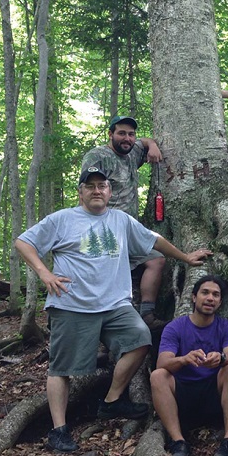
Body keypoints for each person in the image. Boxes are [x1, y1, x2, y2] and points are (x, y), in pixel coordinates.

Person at [15, 167, 212, 453]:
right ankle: (59, 430)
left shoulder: (120, 220)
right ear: (80, 191)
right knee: (61, 368)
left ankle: (111, 401)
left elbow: (153, 239)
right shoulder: (63, 219)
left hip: (115, 304)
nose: (97, 191)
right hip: (73, 304)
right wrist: (44, 273)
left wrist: (184, 257)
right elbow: (24, 242)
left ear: (109, 191)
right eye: (90, 186)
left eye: (102, 186)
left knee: (140, 339)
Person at [81, 116, 166, 329]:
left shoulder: (133, 151)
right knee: (107, 279)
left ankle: (147, 313)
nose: (127, 138)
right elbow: (86, 191)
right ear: (110, 134)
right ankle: (100, 329)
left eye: (131, 134)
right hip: (104, 231)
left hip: (128, 230)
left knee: (156, 260)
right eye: (121, 133)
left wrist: (153, 145)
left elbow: (144, 142)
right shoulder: (97, 156)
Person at [151, 275, 228, 456]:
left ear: (220, 302)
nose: (210, 298)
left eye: (216, 295)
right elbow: (162, 362)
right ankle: (178, 441)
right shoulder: (175, 327)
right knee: (158, 375)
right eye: (205, 293)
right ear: (193, 297)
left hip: (213, 394)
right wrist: (184, 359)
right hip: (183, 394)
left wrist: (221, 358)